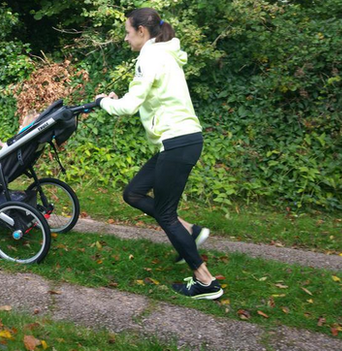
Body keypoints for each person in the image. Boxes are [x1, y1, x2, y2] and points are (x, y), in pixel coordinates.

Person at [95, 8, 223, 300]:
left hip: (178, 141)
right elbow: (140, 97)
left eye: (128, 32)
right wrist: (116, 99)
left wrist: (103, 103)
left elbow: (128, 108)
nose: (126, 38)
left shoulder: (150, 56)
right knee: (134, 193)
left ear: (142, 31)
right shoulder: (164, 53)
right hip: (177, 142)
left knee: (166, 215)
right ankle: (189, 231)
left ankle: (205, 281)